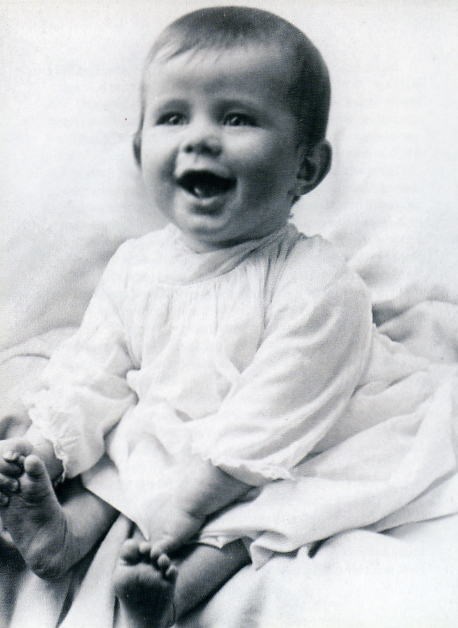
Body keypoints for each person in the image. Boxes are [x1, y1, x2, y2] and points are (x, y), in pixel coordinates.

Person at [1, 6, 457, 628]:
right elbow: (95, 368)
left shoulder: (317, 282)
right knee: (122, 439)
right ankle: (62, 538)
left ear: (306, 168)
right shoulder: (137, 266)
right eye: (172, 117)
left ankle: (168, 596)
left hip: (293, 433)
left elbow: (276, 411)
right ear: (141, 152)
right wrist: (47, 449)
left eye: (236, 117)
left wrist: (184, 511)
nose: (200, 137)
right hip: (183, 427)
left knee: (271, 508)